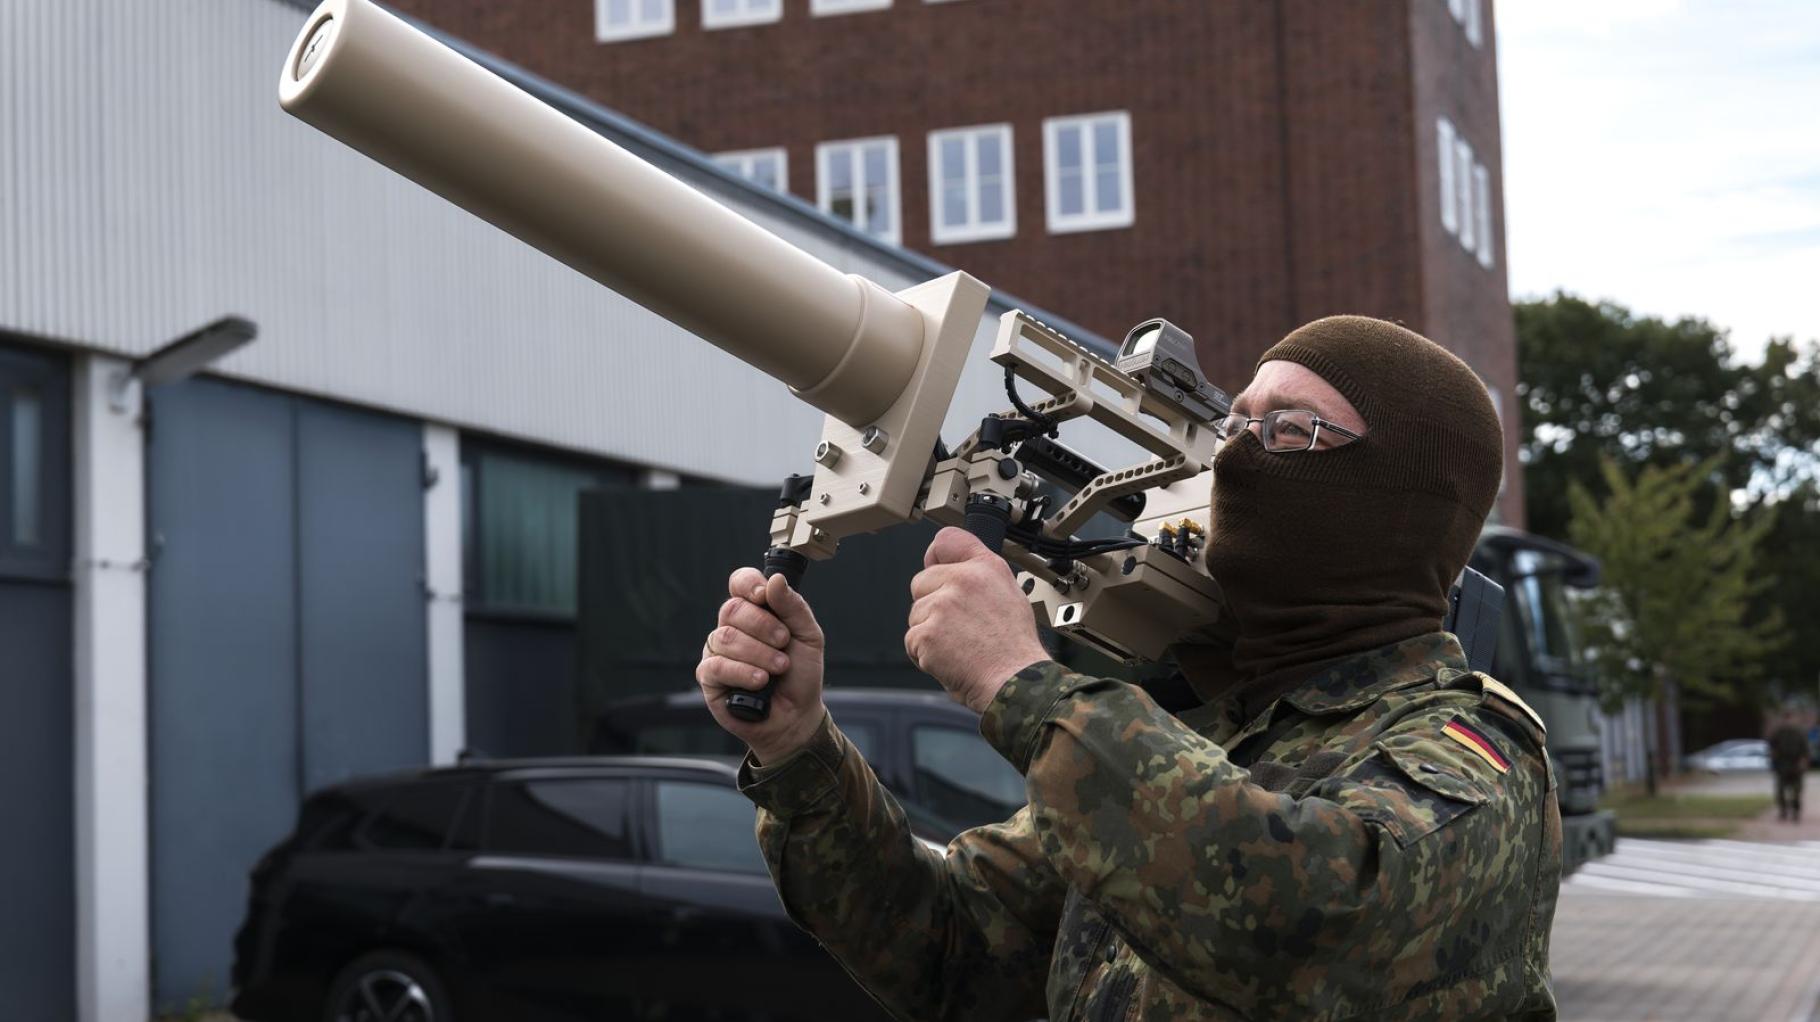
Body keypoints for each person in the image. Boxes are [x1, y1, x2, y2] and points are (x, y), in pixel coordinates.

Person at [696, 316, 1561, 1020]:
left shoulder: (1472, 747)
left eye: (1288, 430)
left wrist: (1022, 685)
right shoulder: (1206, 735)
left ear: (1404, 504)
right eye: (1235, 424)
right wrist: (799, 748)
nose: (1235, 457)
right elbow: (951, 946)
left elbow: (1312, 931)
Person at [1769, 712, 1809, 822]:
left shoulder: (1799, 733)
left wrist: (1803, 761)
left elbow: (1805, 749)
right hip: (1782, 764)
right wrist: (1774, 761)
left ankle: (1796, 812)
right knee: (1780, 790)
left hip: (1796, 764)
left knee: (1796, 791)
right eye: (1787, 719)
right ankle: (1783, 811)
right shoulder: (1778, 733)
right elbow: (1772, 747)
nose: (1789, 722)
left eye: (1791, 719)